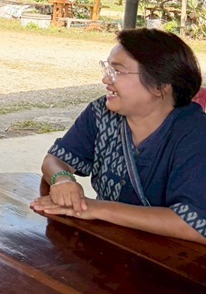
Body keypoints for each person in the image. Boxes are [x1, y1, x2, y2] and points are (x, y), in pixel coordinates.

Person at [31, 29, 206, 244]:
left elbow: (195, 224)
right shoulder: (101, 113)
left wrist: (96, 208)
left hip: (175, 257)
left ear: (160, 85)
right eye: (107, 69)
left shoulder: (196, 134)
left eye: (118, 71)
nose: (106, 79)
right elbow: (56, 159)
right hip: (111, 245)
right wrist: (62, 179)